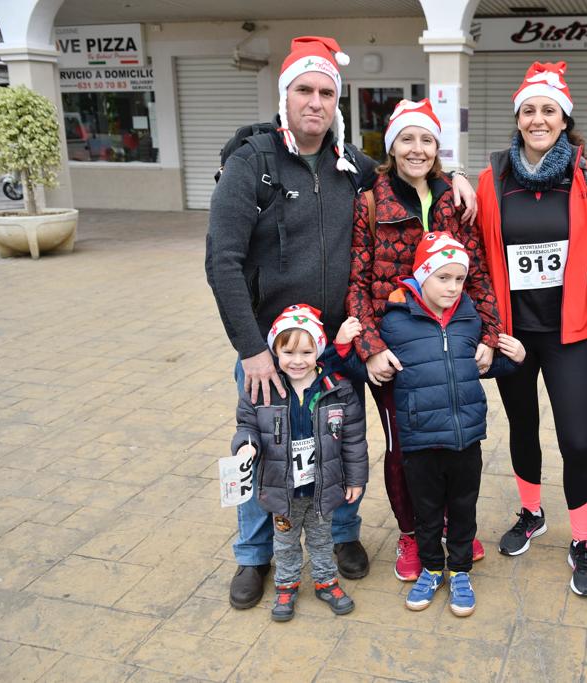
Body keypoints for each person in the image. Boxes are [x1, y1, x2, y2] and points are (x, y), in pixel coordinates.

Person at [206, 36, 479, 610]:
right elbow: (222, 261)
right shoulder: (249, 164)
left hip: (340, 344)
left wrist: (454, 176)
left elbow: (406, 174)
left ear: (337, 101)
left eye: (326, 92)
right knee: (265, 447)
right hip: (273, 349)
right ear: (285, 96)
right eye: (304, 90)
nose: (316, 101)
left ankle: (343, 534)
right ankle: (255, 555)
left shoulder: (350, 164)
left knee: (341, 442)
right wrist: (251, 349)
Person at [345, 99, 501, 582]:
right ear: (391, 146)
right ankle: (413, 534)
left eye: (426, 140)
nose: (417, 149)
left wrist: (490, 337)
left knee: (454, 443)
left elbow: (478, 277)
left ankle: (453, 532)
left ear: (438, 148)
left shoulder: (455, 199)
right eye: (407, 139)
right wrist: (370, 348)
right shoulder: (371, 202)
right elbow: (356, 282)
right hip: (396, 351)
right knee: (404, 449)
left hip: (450, 347)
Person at [475, 61, 587, 596]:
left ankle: (582, 539)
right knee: (523, 428)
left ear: (563, 118)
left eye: (547, 110)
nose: (537, 118)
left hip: (569, 332)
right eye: (528, 110)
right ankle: (531, 512)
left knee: (576, 439)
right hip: (514, 334)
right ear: (517, 116)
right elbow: (475, 250)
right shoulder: (492, 179)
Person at [358, 233, 524, 616]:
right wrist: (354, 350)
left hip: (466, 438)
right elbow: (370, 368)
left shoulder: (470, 318)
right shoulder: (395, 323)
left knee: (463, 507)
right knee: (428, 511)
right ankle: (433, 568)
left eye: (459, 279)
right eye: (442, 278)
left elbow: (479, 367)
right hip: (420, 440)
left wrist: (515, 358)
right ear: (421, 276)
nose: (452, 287)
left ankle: (461, 570)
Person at [233, 305, 367, 621]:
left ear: (318, 350)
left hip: (321, 487)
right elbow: (246, 426)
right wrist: (246, 446)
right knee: (285, 542)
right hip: (283, 490)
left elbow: (353, 440)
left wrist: (355, 479)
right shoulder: (262, 390)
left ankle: (326, 582)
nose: (297, 360)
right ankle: (286, 585)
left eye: (306, 351)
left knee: (322, 540)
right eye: (288, 351)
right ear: (274, 350)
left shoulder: (337, 390)